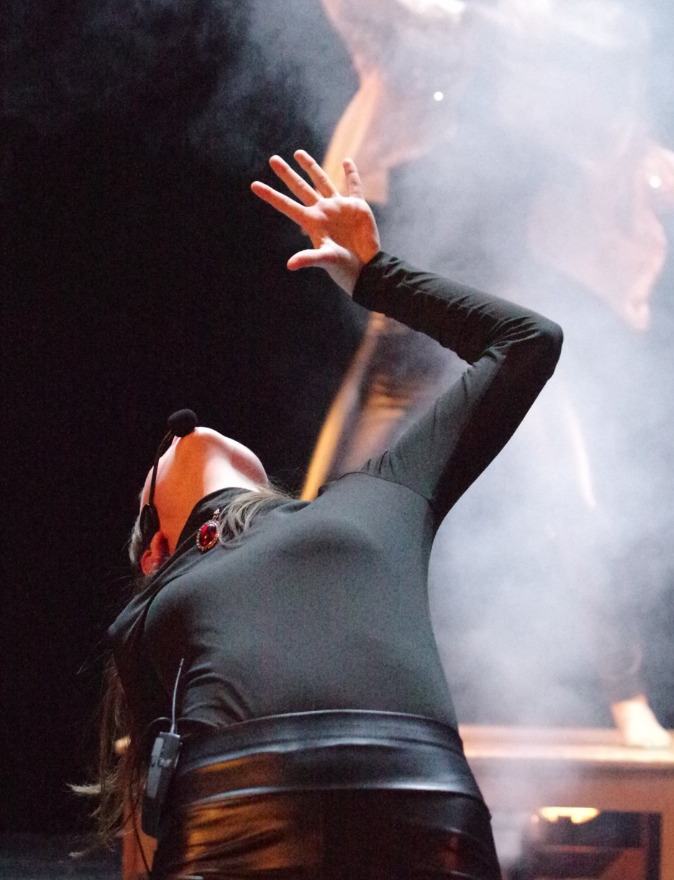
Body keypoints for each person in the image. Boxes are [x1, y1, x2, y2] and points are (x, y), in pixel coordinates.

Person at [105, 149, 562, 880]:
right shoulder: (143, 616)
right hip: (232, 814)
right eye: (156, 462)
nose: (181, 436)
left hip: (417, 801)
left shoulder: (377, 494)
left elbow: (529, 343)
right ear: (156, 549)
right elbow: (160, 780)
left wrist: (377, 275)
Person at [303, 0, 674, 747]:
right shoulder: (435, 94)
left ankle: (628, 700)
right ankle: (290, 687)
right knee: (322, 514)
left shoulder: (569, 135)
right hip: (404, 342)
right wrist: (471, 23)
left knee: (576, 516)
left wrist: (627, 154)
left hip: (501, 341)